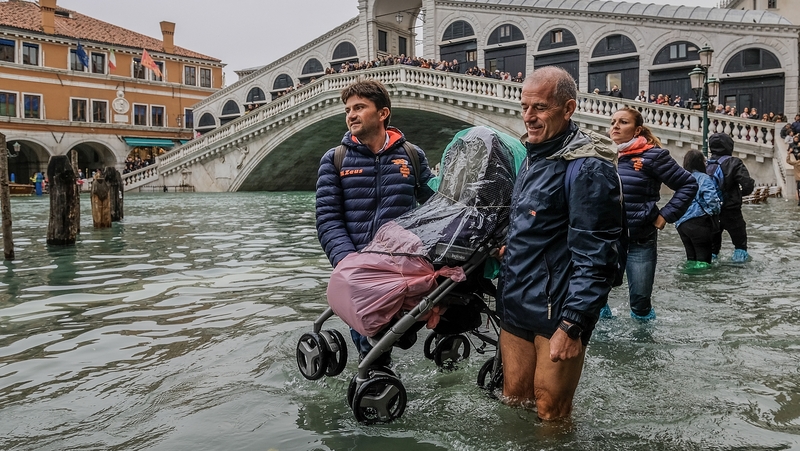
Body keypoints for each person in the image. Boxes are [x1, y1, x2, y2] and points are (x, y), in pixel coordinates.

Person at [497, 66, 623, 420]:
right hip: (516, 302)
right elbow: (532, 225)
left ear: (568, 109)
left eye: (539, 107)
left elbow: (598, 255)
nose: (529, 117)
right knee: (513, 400)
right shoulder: (532, 157)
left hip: (557, 312)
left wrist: (573, 323)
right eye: (524, 107)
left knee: (551, 411)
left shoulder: (588, 169)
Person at [315, 79, 435, 367]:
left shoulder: (412, 155)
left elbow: (433, 207)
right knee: (371, 349)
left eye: (359, 107)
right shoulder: (335, 159)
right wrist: (347, 262)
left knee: (403, 332)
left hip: (402, 264)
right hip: (358, 268)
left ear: (382, 114)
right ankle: (374, 381)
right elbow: (327, 218)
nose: (351, 115)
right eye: (348, 109)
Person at [610, 108, 697, 320]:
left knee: (640, 301)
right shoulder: (603, 155)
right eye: (613, 122)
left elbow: (688, 184)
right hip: (606, 239)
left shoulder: (654, 156)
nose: (615, 126)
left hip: (640, 238)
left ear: (637, 129)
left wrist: (665, 215)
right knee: (596, 297)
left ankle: (643, 344)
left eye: (623, 122)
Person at [706, 133, 755, 262]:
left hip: (712, 211)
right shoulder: (734, 162)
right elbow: (747, 185)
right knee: (740, 244)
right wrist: (738, 195)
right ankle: (739, 267)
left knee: (712, 248)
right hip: (731, 210)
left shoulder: (706, 163)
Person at [675, 150, 721, 269]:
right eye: (704, 161)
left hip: (681, 224)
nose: (706, 164)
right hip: (699, 223)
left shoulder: (681, 178)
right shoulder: (704, 178)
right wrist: (716, 211)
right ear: (699, 162)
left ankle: (689, 279)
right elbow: (711, 199)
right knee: (703, 259)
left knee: (691, 258)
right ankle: (701, 282)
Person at [785, 136, 800, 205]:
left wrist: (788, 153)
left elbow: (788, 161)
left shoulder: (796, 163)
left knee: (798, 190)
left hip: (798, 179)